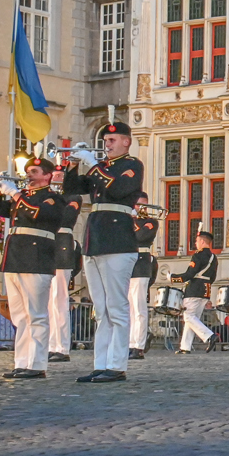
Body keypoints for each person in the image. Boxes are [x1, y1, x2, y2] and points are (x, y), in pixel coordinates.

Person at [63, 116, 145, 383]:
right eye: (105, 140)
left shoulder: (132, 165)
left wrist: (93, 163)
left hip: (117, 241)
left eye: (111, 140)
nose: (107, 144)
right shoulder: (103, 168)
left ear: (126, 142)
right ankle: (101, 363)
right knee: (101, 309)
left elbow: (118, 189)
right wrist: (73, 165)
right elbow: (71, 189)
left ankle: (117, 364)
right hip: (95, 240)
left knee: (117, 307)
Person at [0, 157, 63, 379]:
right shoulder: (24, 197)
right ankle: (22, 362)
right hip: (15, 258)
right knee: (20, 316)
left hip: (36, 259)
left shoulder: (52, 198)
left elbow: (37, 214)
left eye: (34, 171)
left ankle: (36, 364)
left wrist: (16, 194)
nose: (29, 175)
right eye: (28, 171)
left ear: (47, 175)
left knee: (36, 315)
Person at [48, 188, 82, 364]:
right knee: (48, 304)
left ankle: (62, 347)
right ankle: (51, 345)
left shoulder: (73, 197)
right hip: (47, 246)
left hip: (62, 247)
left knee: (59, 302)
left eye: (59, 176)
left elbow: (66, 217)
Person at [172, 230, 218, 353]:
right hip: (205, 290)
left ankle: (209, 336)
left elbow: (189, 274)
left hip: (194, 289)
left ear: (202, 241)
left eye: (197, 241)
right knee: (193, 318)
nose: (196, 243)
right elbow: (213, 277)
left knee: (188, 316)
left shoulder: (197, 255)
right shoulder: (213, 257)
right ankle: (185, 347)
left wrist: (173, 277)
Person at [128, 194, 160, 360]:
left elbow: (140, 237)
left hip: (141, 265)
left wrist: (131, 221)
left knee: (138, 307)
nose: (141, 208)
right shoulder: (127, 220)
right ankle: (130, 342)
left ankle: (138, 345)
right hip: (128, 264)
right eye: (138, 204)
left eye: (144, 205)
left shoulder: (151, 221)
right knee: (128, 309)